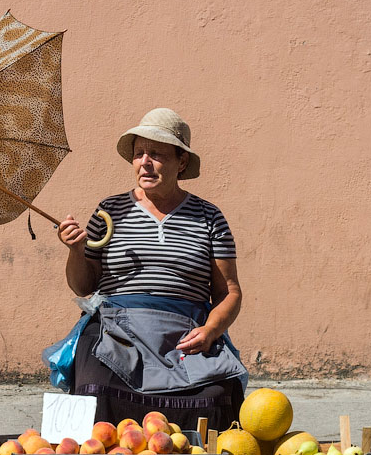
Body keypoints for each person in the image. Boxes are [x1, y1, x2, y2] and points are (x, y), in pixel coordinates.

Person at [54, 108, 248, 430]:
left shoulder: (209, 217)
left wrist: (211, 330)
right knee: (93, 386)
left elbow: (230, 292)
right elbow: (83, 286)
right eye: (139, 153)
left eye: (156, 154)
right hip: (116, 333)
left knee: (216, 395)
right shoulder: (109, 211)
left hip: (184, 335)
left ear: (181, 162)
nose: (145, 162)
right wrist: (76, 251)